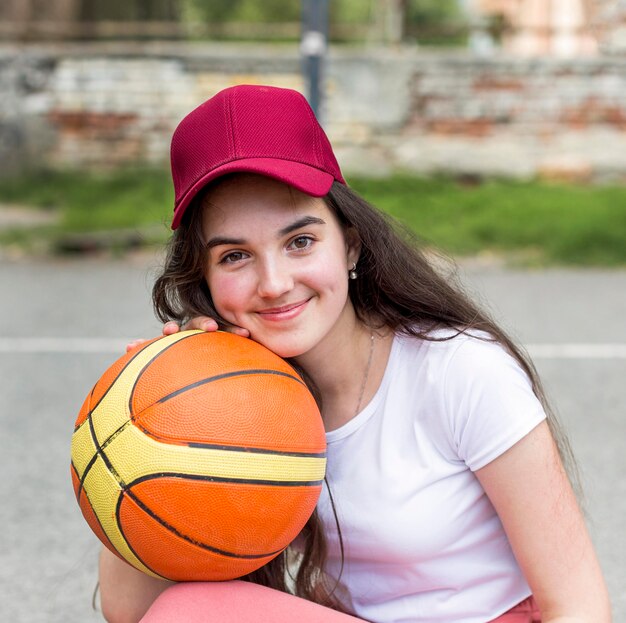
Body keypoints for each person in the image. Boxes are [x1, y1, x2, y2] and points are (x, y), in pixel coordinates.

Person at [98, 84, 611, 623]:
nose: (273, 284)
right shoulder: (229, 403)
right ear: (203, 278)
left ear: (351, 244)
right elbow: (131, 610)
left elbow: (578, 604)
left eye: (300, 242)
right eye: (234, 256)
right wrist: (145, 428)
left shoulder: (461, 370)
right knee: (189, 611)